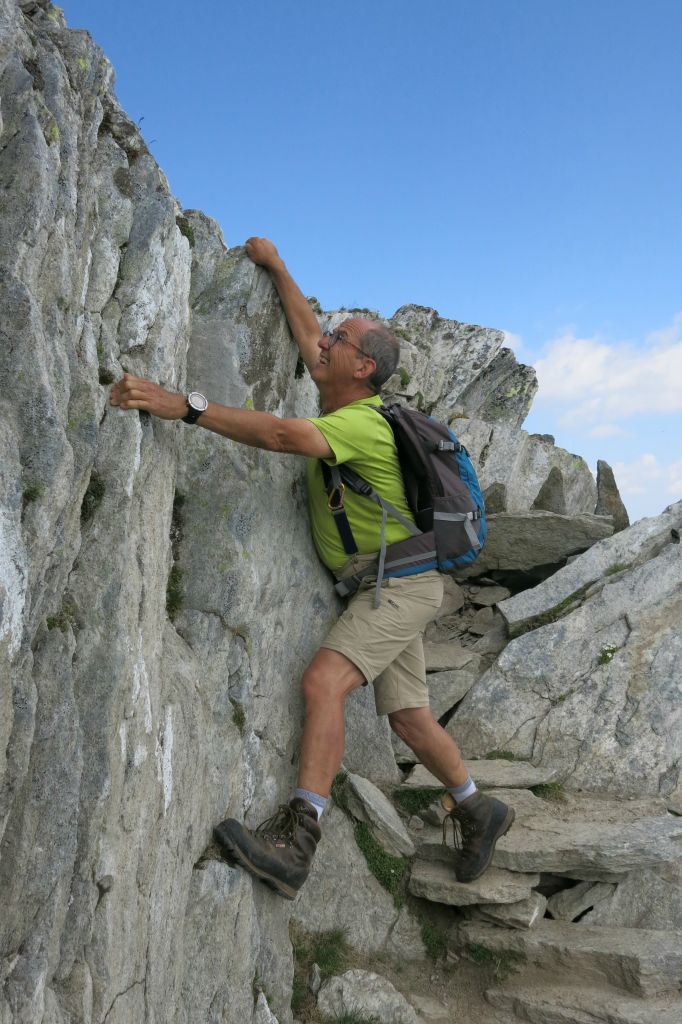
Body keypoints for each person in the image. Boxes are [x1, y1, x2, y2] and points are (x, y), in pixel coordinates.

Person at [110, 237, 514, 900]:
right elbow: (303, 332)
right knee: (410, 715)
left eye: (340, 338)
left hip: (399, 586)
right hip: (397, 581)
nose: (323, 340)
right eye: (329, 333)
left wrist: (183, 405)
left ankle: (298, 839)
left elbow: (280, 437)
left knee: (325, 682)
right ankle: (476, 807)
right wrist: (276, 267)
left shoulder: (363, 422)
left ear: (363, 366)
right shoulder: (345, 395)